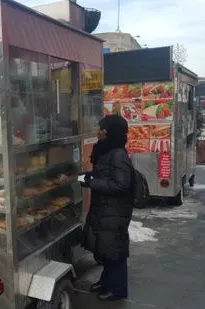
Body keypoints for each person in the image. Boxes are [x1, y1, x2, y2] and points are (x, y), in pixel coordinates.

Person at [79, 115, 133, 301]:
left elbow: (121, 185)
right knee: (106, 248)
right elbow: (102, 175)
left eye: (102, 128)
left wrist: (92, 183)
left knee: (115, 250)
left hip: (115, 210)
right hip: (105, 208)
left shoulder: (118, 154)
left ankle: (118, 289)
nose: (98, 131)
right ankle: (107, 281)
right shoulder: (106, 150)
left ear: (110, 132)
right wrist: (85, 177)